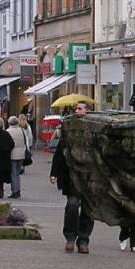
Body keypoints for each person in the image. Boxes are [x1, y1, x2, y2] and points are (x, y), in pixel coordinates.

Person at [49, 101, 93, 254]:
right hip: (72, 175)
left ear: (87, 111)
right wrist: (54, 173)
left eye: (80, 108)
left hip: (90, 176)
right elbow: (60, 152)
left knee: (88, 210)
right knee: (72, 205)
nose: (76, 111)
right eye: (76, 108)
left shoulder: (95, 129)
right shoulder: (69, 128)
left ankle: (83, 240)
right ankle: (70, 237)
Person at [6, 116, 27, 199]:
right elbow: (25, 141)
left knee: (13, 174)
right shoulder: (21, 130)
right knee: (17, 174)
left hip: (12, 154)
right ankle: (18, 190)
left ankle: (14, 191)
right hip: (21, 154)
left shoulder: (8, 131)